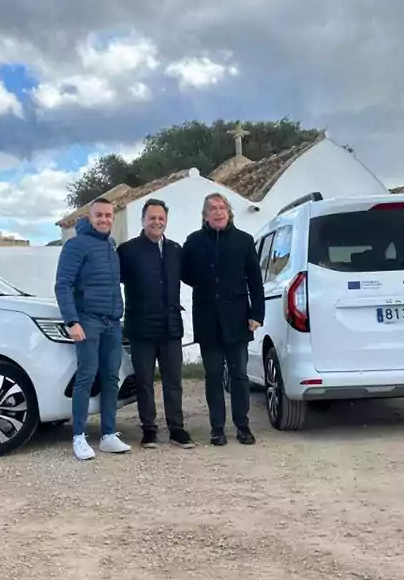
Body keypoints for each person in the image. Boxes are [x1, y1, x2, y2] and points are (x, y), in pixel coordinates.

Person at [180, 192, 265, 446]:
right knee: (214, 375)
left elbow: (255, 281)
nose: (218, 212)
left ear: (229, 213)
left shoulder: (244, 240)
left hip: (238, 318)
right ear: (205, 216)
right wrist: (203, 283)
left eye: (222, 208)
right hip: (207, 319)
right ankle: (217, 428)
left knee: (239, 375)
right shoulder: (193, 242)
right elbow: (184, 273)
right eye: (213, 209)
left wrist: (256, 314)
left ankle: (243, 426)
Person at [54, 197, 132, 460]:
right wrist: (72, 322)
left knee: (111, 377)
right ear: (90, 217)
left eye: (109, 215)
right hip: (87, 321)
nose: (104, 219)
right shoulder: (75, 245)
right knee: (86, 376)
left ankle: (108, 435)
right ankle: (78, 437)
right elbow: (62, 284)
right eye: (99, 215)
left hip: (112, 322)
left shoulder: (111, 246)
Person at [117, 198, 194, 449]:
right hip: (141, 327)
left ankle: (177, 429)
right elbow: (111, 282)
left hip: (171, 326)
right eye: (152, 218)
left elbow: (193, 277)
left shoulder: (175, 249)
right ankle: (149, 429)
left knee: (174, 381)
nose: (157, 222)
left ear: (166, 221)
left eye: (161, 218)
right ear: (143, 220)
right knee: (145, 381)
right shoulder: (127, 251)